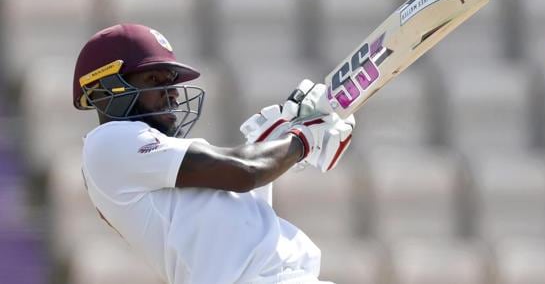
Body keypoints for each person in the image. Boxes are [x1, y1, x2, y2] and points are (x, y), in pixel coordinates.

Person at [72, 23, 355, 284]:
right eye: (153, 79)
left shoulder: (148, 164)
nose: (171, 93)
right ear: (106, 89)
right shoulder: (108, 142)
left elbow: (242, 197)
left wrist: (272, 140)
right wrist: (303, 138)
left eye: (171, 82)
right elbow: (245, 172)